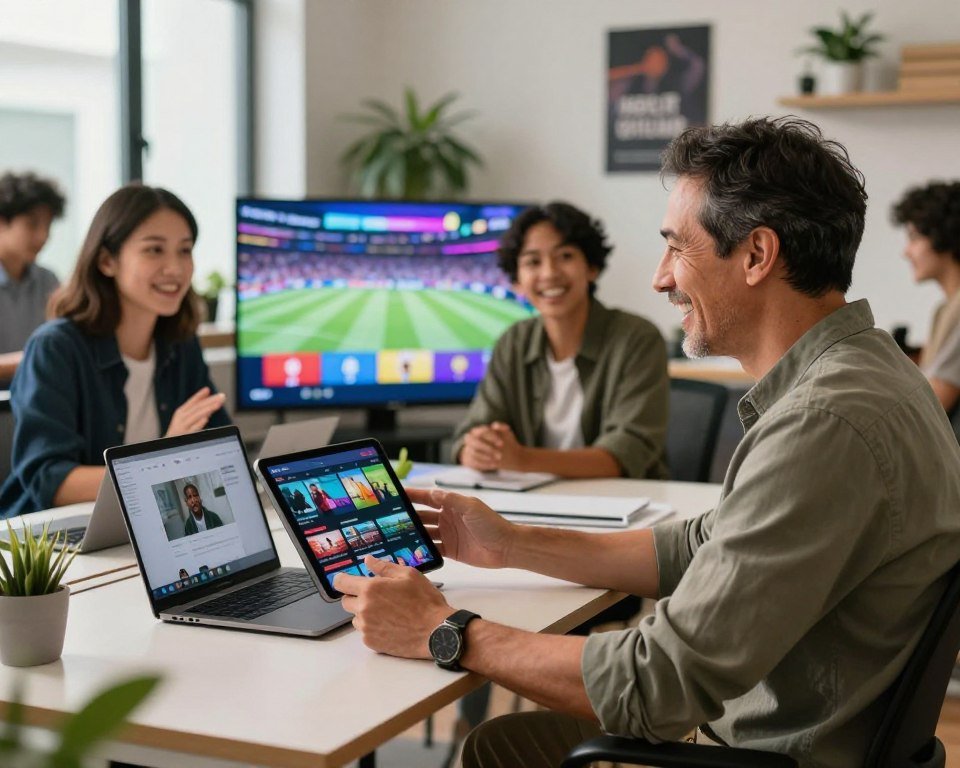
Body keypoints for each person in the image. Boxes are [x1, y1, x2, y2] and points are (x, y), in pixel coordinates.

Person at [335, 117, 960, 768]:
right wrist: (510, 542)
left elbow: (656, 686)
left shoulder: (825, 423)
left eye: (676, 248)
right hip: (796, 738)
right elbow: (698, 547)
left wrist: (444, 632)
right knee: (501, 744)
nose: (661, 278)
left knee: (498, 752)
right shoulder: (872, 374)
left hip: (757, 754)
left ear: (756, 255)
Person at [0, 184, 229, 517]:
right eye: (154, 250)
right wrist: (159, 462)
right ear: (107, 260)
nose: (176, 268)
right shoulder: (56, 347)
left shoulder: (180, 343)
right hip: (54, 544)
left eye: (185, 250)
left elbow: (219, 445)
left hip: (147, 527)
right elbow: (51, 480)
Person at [451, 201, 668, 480]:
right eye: (532, 262)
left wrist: (521, 459)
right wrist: (474, 449)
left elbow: (625, 455)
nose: (549, 273)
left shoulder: (638, 339)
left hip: (628, 508)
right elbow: (469, 433)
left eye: (565, 256)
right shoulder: (513, 342)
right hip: (536, 506)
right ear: (517, 281)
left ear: (591, 267)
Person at [892, 181, 960, 413]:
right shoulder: (946, 308)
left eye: (914, 237)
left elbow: (932, 407)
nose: (906, 251)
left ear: (943, 235)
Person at [0, 171, 67, 381]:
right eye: (32, 224)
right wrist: (34, 358)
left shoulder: (48, 281)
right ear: (2, 222)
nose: (43, 236)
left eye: (48, 226)